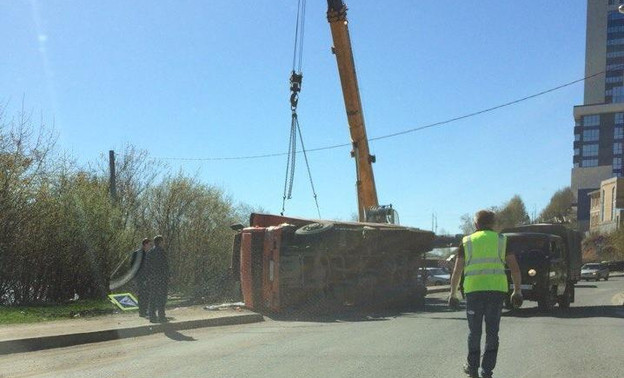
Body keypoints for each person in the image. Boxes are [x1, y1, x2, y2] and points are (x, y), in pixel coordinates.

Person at [449, 210, 522, 378]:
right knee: (492, 333)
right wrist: (517, 291)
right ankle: (487, 371)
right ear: (493, 223)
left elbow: (457, 271)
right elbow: (515, 269)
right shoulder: (502, 241)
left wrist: (453, 294)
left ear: (476, 224)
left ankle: (472, 369)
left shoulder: (467, 242)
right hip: (496, 292)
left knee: (474, 333)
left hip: (473, 293)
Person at [145, 235, 170, 323]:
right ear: (160, 242)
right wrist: (168, 276)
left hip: (152, 278)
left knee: (153, 297)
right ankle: (161, 316)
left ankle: (152, 317)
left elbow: (147, 266)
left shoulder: (150, 252)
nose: (164, 243)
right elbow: (165, 266)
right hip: (161, 278)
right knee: (162, 297)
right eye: (163, 241)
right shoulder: (161, 252)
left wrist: (148, 277)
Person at [130, 238, 152, 317]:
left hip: (146, 277)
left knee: (146, 294)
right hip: (140, 277)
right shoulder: (137, 253)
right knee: (142, 294)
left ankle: (145, 310)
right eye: (149, 244)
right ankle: (142, 311)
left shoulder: (148, 253)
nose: (150, 246)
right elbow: (133, 266)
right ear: (145, 244)